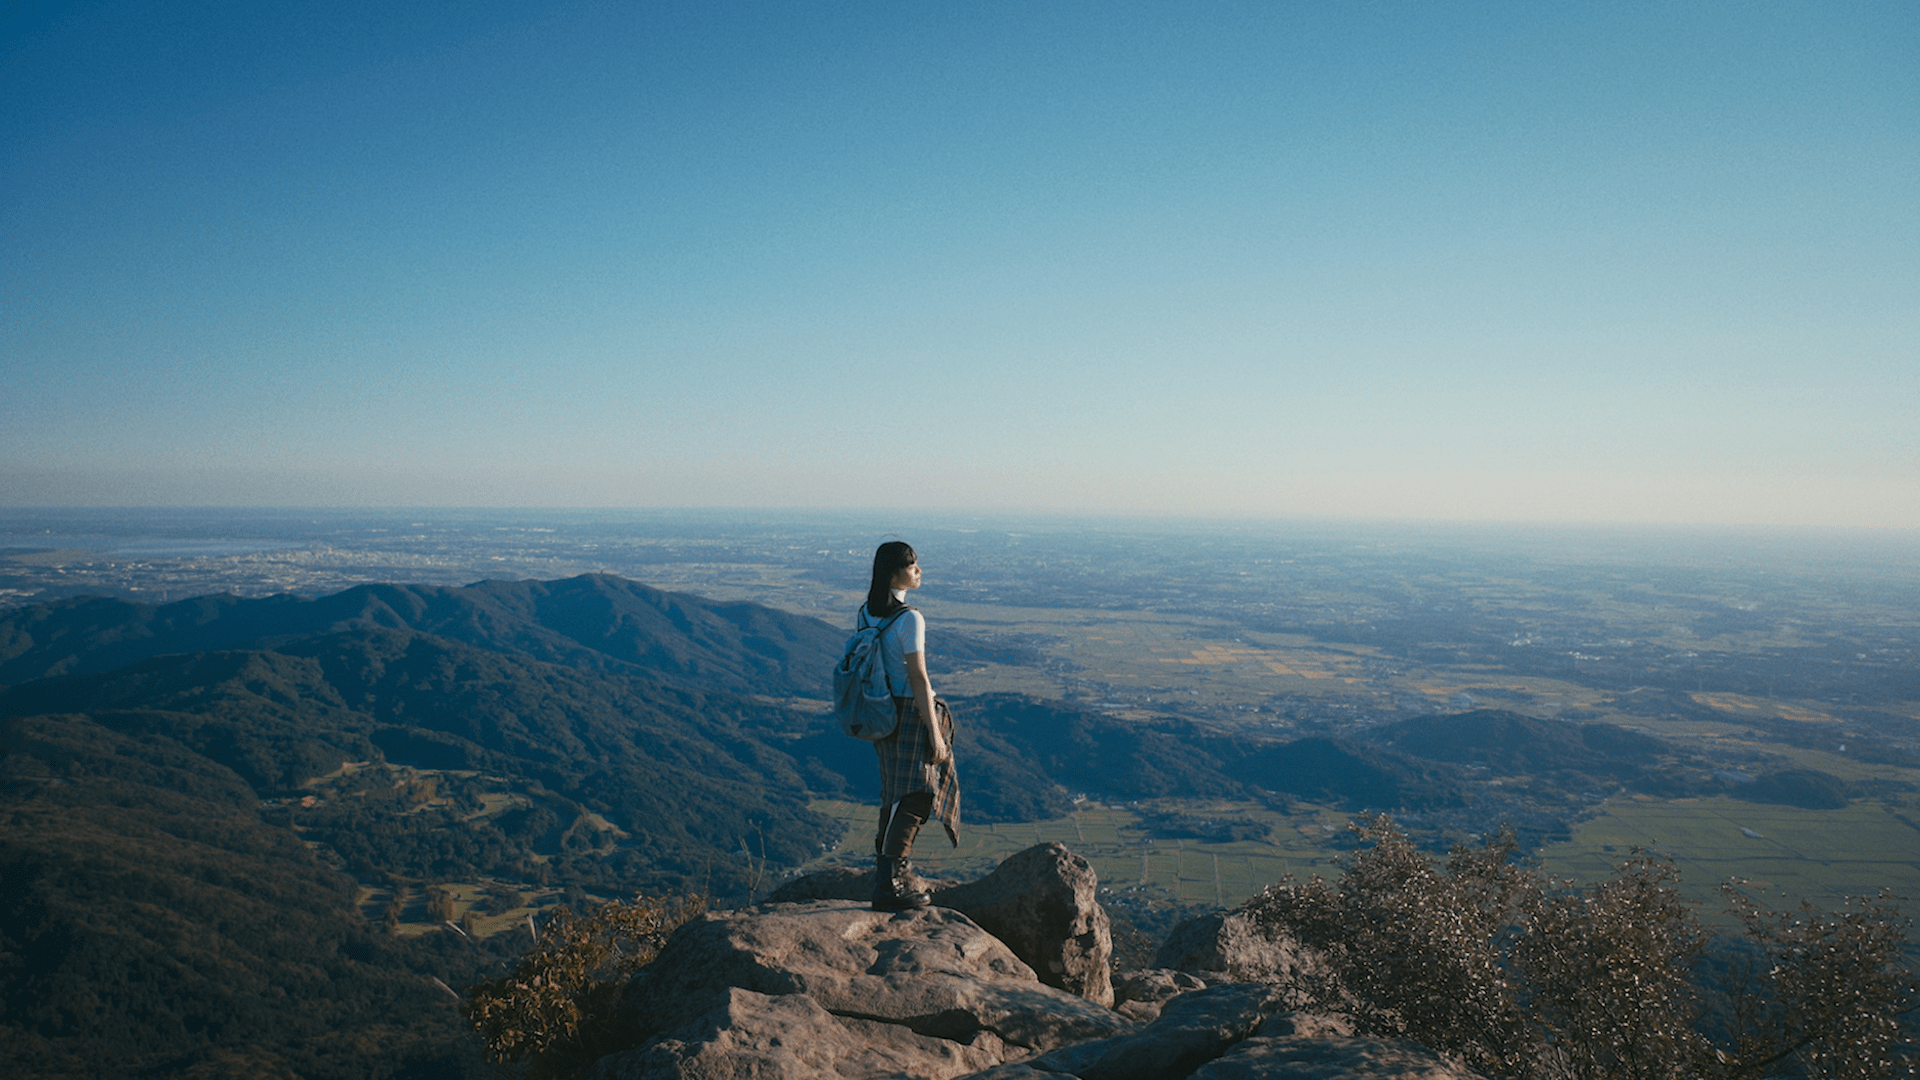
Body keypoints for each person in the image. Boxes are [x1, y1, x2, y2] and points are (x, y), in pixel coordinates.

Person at [859, 540, 959, 911]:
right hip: (910, 713)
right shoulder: (909, 619)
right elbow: (918, 677)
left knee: (894, 792)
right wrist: (934, 732)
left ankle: (886, 877)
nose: (919, 571)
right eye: (913, 565)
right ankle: (892, 883)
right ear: (894, 572)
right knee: (918, 794)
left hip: (880, 712)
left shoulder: (866, 614)